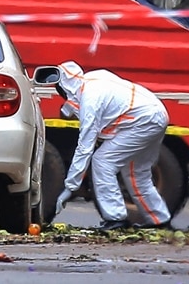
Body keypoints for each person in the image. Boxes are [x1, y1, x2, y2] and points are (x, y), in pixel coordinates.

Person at [50, 60, 173, 230]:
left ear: (66, 88)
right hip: (156, 113)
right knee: (137, 172)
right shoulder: (93, 78)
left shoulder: (90, 101)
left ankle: (115, 218)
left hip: (143, 121)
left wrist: (69, 188)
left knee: (102, 162)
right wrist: (70, 108)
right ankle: (159, 220)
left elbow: (85, 147)